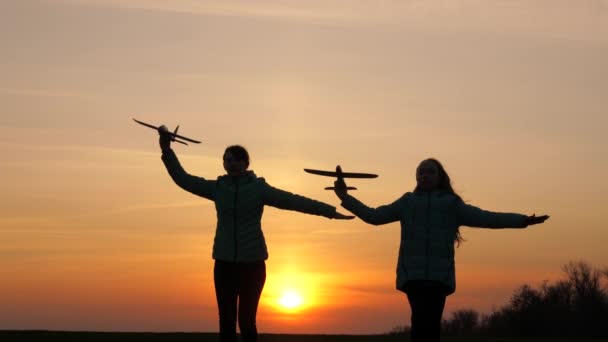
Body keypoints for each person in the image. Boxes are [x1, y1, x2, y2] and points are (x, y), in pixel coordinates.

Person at [157, 129, 353, 342]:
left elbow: (293, 201)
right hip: (223, 264)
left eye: (234, 160)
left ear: (245, 163)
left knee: (247, 321)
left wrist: (330, 212)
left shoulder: (258, 189)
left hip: (253, 264)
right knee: (226, 322)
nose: (229, 163)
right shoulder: (218, 188)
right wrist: (167, 150)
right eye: (225, 160)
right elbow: (183, 180)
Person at [333, 158, 549, 342]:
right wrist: (344, 197)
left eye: (430, 172)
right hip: (413, 276)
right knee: (420, 323)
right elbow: (374, 216)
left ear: (439, 176)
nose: (425, 175)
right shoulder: (407, 202)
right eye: (421, 172)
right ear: (416, 177)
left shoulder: (451, 204)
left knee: (432, 325)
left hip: (439, 277)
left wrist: (522, 221)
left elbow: (486, 217)